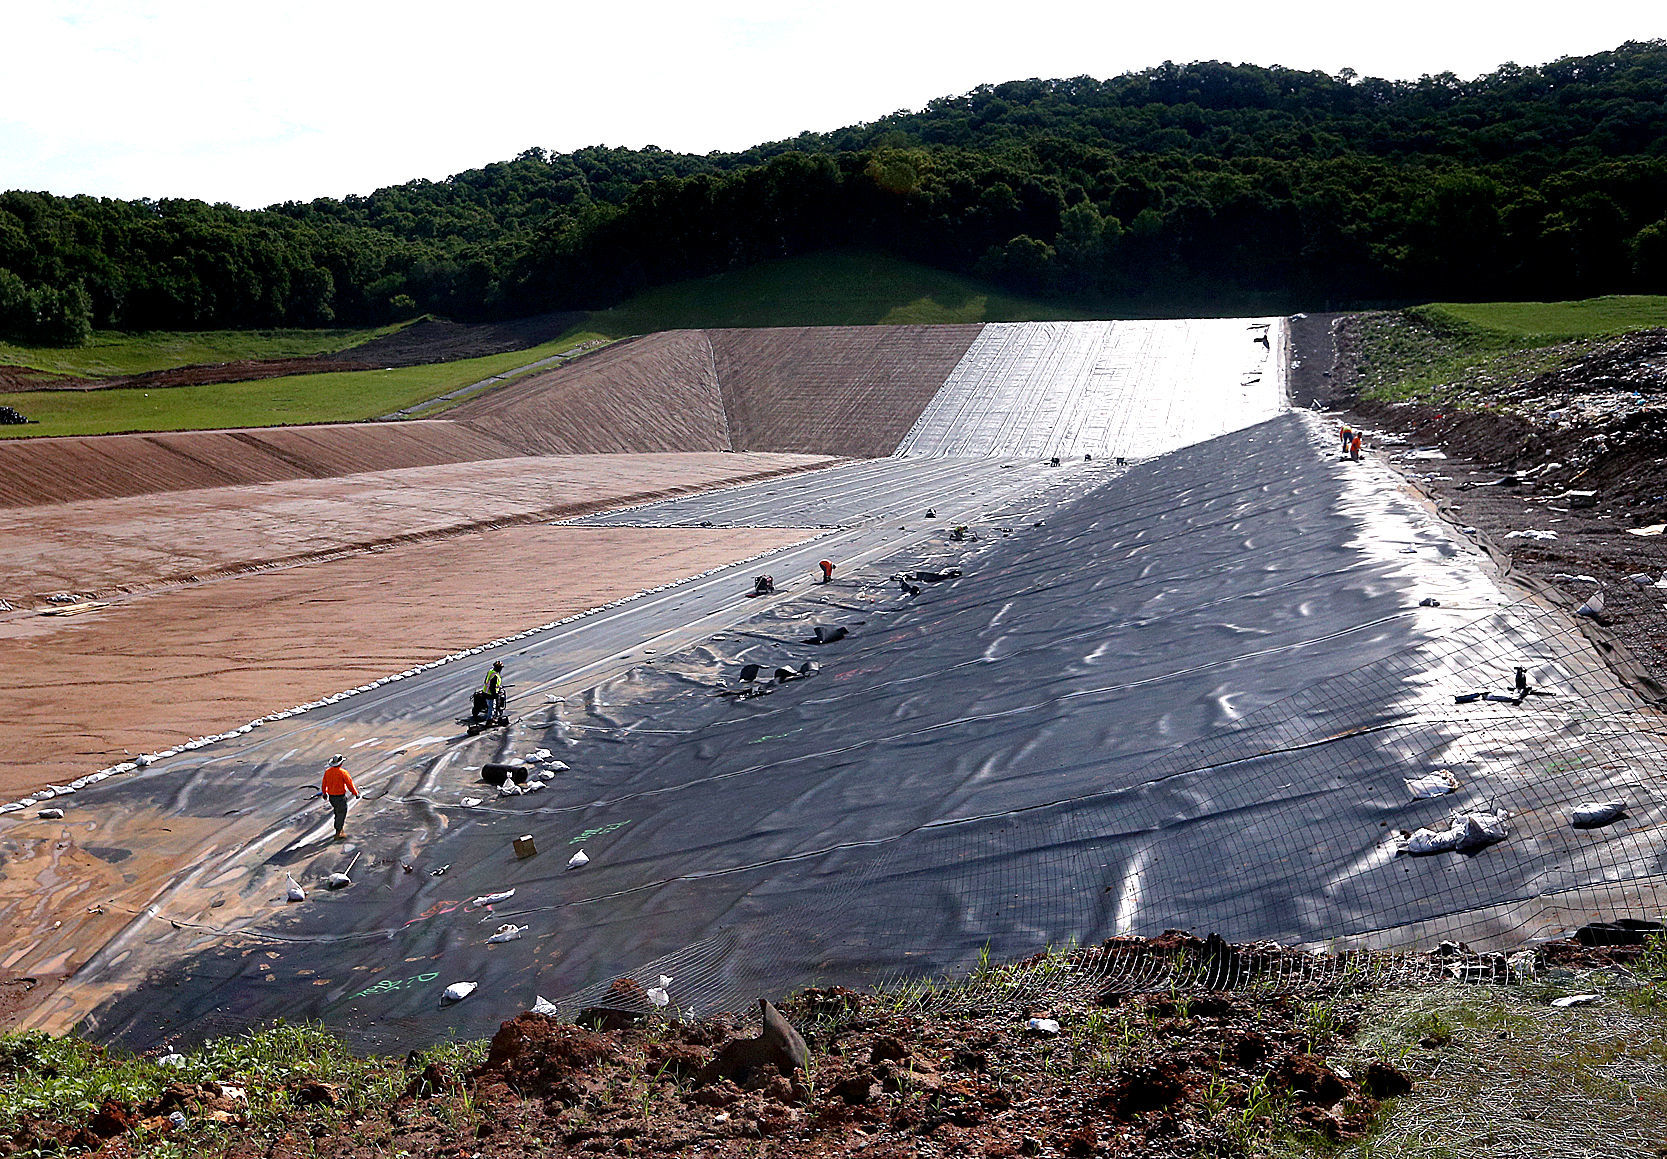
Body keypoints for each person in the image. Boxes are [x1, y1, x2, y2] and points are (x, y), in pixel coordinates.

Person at [321, 756, 360, 840]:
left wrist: (324, 793)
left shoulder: (328, 772)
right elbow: (349, 784)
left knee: (337, 812)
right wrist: (355, 793)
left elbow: (324, 783)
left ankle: (339, 829)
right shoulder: (343, 772)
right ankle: (338, 833)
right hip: (340, 797)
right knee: (341, 814)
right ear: (341, 763)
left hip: (332, 797)